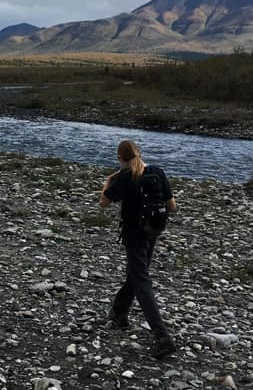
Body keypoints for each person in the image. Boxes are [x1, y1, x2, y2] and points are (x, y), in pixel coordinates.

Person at [99, 140, 177, 359]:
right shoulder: (157, 172)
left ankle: (163, 337)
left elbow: (103, 203)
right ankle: (119, 313)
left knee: (142, 282)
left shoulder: (124, 177)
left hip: (133, 235)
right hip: (152, 232)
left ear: (120, 158)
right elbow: (172, 206)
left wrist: (108, 181)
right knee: (136, 274)